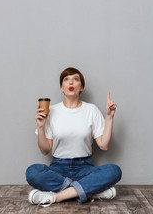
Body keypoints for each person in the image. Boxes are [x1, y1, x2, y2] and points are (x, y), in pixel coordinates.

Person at [26, 67, 122, 207]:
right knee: (32, 172)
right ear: (62, 88)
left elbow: (104, 145)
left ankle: (56, 197)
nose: (71, 82)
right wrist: (41, 127)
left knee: (114, 171)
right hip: (58, 168)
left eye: (76, 79)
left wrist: (109, 117)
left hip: (85, 168)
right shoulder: (51, 111)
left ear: (81, 87)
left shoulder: (91, 110)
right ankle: (90, 191)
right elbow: (45, 150)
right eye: (66, 79)